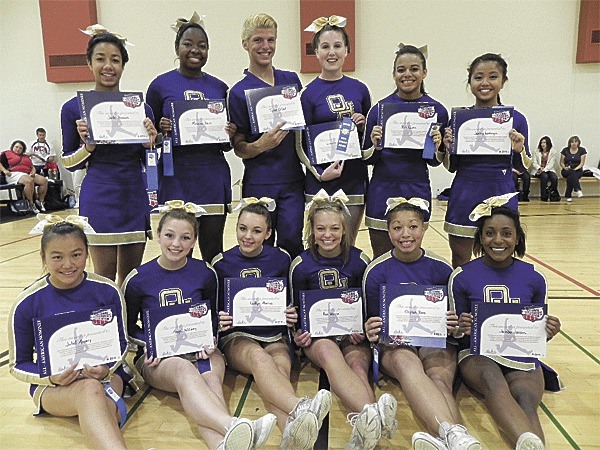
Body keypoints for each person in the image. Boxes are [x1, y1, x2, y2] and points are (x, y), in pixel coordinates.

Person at [122, 203, 276, 450]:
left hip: (202, 350)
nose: (176, 244)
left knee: (212, 382)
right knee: (185, 370)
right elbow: (128, 328)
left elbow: (212, 317)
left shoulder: (205, 272)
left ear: (194, 241)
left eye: (185, 237)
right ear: (158, 234)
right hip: (158, 359)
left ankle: (223, 444)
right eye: (169, 235)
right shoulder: (138, 278)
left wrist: (211, 338)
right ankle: (233, 425)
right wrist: (152, 346)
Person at [212, 197, 331, 449]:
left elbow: (290, 299)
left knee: (279, 370)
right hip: (238, 336)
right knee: (259, 358)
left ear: (268, 233)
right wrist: (219, 319)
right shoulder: (221, 263)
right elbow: (212, 310)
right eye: (242, 228)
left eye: (256, 231)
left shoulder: (282, 259)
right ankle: (302, 408)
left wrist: (290, 312)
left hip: (274, 334)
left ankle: (290, 434)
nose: (248, 236)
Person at [363, 198, 481, 450]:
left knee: (439, 378)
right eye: (397, 228)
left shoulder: (441, 268)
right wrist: (370, 329)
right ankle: (454, 434)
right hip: (394, 346)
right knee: (408, 364)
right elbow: (370, 324)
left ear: (425, 227)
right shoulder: (375, 271)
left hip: (433, 340)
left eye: (413, 227)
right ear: (388, 230)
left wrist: (453, 325)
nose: (405, 234)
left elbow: (456, 325)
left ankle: (453, 439)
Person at [8, 216, 130, 450]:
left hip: (105, 377)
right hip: (53, 388)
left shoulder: (108, 291)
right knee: (90, 391)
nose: (68, 264)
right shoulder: (27, 302)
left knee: (95, 394)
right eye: (57, 257)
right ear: (43, 257)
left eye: (76, 254)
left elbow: (122, 344)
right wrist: (51, 377)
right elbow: (17, 364)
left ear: (87, 253)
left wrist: (107, 367)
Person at [450, 198, 561, 450]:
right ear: (479, 239)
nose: (498, 240)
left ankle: (533, 446)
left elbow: (535, 329)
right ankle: (525, 441)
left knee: (525, 398)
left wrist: (547, 331)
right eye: (489, 233)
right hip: (477, 354)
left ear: (518, 238)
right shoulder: (461, 276)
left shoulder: (535, 277)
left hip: (519, 353)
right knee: (492, 379)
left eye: (506, 233)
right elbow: (454, 332)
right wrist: (460, 325)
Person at [290, 191, 397, 450]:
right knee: (330, 354)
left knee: (358, 366)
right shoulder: (301, 265)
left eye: (335, 228)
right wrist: (298, 334)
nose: (328, 235)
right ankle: (372, 415)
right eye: (321, 229)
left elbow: (369, 306)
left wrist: (362, 328)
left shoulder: (360, 261)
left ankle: (365, 430)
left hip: (352, 335)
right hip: (318, 339)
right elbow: (294, 312)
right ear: (311, 231)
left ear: (345, 229)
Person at [60, 25, 157, 285]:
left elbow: (153, 165)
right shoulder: (73, 108)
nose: (108, 66)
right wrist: (88, 146)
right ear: (89, 62)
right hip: (99, 197)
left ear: (124, 65)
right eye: (100, 59)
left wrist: (151, 145)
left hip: (134, 196)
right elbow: (68, 164)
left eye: (115, 59)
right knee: (103, 277)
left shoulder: (141, 107)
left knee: (131, 278)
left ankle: (128, 325)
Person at [146, 12, 235, 263]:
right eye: (188, 44)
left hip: (212, 175)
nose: (195, 50)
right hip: (177, 176)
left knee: (213, 249)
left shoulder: (219, 87)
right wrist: (160, 128)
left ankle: (213, 298)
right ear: (177, 48)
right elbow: (147, 135)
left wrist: (229, 133)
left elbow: (228, 145)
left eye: (202, 45)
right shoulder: (159, 86)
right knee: (179, 248)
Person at [441, 53, 530, 268]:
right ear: (470, 82)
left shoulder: (516, 119)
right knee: (460, 261)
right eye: (478, 77)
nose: (485, 83)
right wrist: (447, 146)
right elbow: (452, 167)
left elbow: (523, 168)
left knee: (501, 259)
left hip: (501, 192)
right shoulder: (458, 119)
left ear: (503, 81)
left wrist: (519, 150)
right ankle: (461, 301)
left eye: (493, 76)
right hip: (465, 192)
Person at [228, 13, 305, 258]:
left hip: (292, 178)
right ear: (245, 44)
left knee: (292, 240)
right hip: (259, 180)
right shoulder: (239, 92)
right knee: (260, 246)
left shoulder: (290, 81)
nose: (265, 47)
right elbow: (238, 146)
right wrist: (260, 145)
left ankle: (292, 295)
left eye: (270, 40)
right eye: (258, 40)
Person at [363, 44, 449, 257]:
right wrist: (374, 144)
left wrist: (438, 146)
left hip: (417, 186)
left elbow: (435, 161)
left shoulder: (437, 110)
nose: (407, 74)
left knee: (409, 252)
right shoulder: (380, 110)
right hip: (382, 186)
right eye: (401, 70)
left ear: (424, 72)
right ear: (394, 74)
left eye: (414, 69)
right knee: (381, 255)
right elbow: (366, 158)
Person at [299, 15, 371, 245]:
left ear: (347, 50)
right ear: (316, 52)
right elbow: (300, 144)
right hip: (320, 179)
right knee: (319, 245)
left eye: (338, 46)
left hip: (353, 179)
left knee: (347, 246)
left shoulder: (360, 89)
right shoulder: (308, 94)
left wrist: (362, 127)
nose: (332, 52)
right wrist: (320, 173)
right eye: (325, 46)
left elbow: (368, 141)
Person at [0, 140, 48, 213]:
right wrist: (4, 170)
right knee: (29, 181)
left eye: (20, 148)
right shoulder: (6, 154)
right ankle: (31, 203)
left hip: (27, 173)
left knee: (44, 181)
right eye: (16, 147)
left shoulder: (25, 156)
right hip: (13, 174)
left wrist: (33, 172)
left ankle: (40, 201)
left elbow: (32, 167)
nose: (18, 149)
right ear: (12, 147)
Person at [530, 136, 559, 202]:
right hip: (538, 170)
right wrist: (540, 168)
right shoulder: (536, 151)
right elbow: (534, 163)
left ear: (548, 143)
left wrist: (545, 169)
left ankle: (553, 193)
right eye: (541, 142)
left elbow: (551, 163)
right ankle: (544, 196)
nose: (542, 144)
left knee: (554, 177)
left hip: (549, 169)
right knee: (544, 176)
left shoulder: (553, 152)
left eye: (544, 142)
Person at [559, 135, 587, 202]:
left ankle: (568, 195)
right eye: (572, 142)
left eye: (575, 142)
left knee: (571, 176)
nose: (574, 143)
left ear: (578, 143)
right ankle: (577, 189)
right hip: (566, 170)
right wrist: (564, 167)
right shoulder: (565, 150)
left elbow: (582, 163)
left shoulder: (582, 150)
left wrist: (576, 168)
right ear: (569, 143)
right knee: (571, 174)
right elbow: (561, 162)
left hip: (578, 170)